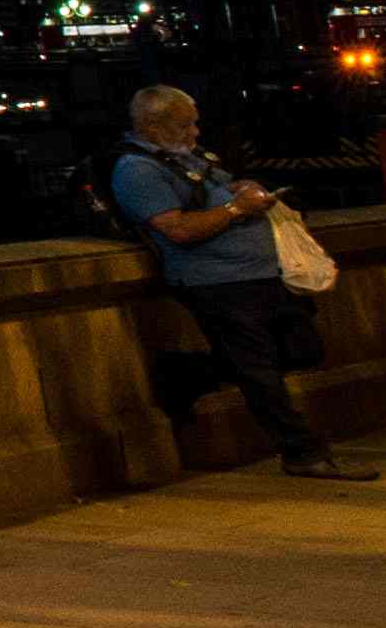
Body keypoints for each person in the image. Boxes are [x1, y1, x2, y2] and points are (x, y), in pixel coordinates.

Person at [101, 83, 370, 479]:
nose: (195, 133)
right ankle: (303, 453)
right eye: (185, 125)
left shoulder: (189, 158)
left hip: (261, 274)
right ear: (153, 125)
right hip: (215, 281)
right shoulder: (137, 170)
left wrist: (246, 189)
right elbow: (176, 229)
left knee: (303, 349)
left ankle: (187, 374)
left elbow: (225, 186)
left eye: (194, 124)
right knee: (259, 371)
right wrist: (234, 209)